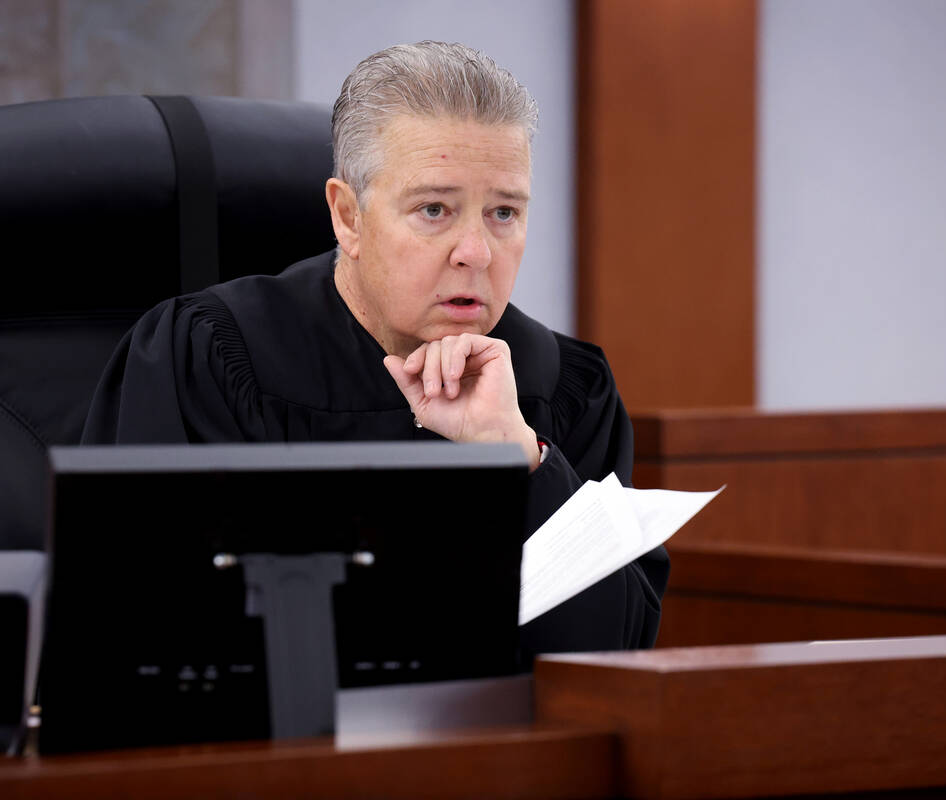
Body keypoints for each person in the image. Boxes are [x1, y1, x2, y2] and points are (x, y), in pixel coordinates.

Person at [83, 41, 669, 653]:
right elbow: (140, 626)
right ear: (348, 217)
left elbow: (618, 655)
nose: (476, 251)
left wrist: (522, 460)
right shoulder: (207, 356)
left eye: (503, 213)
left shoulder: (563, 386)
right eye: (435, 209)